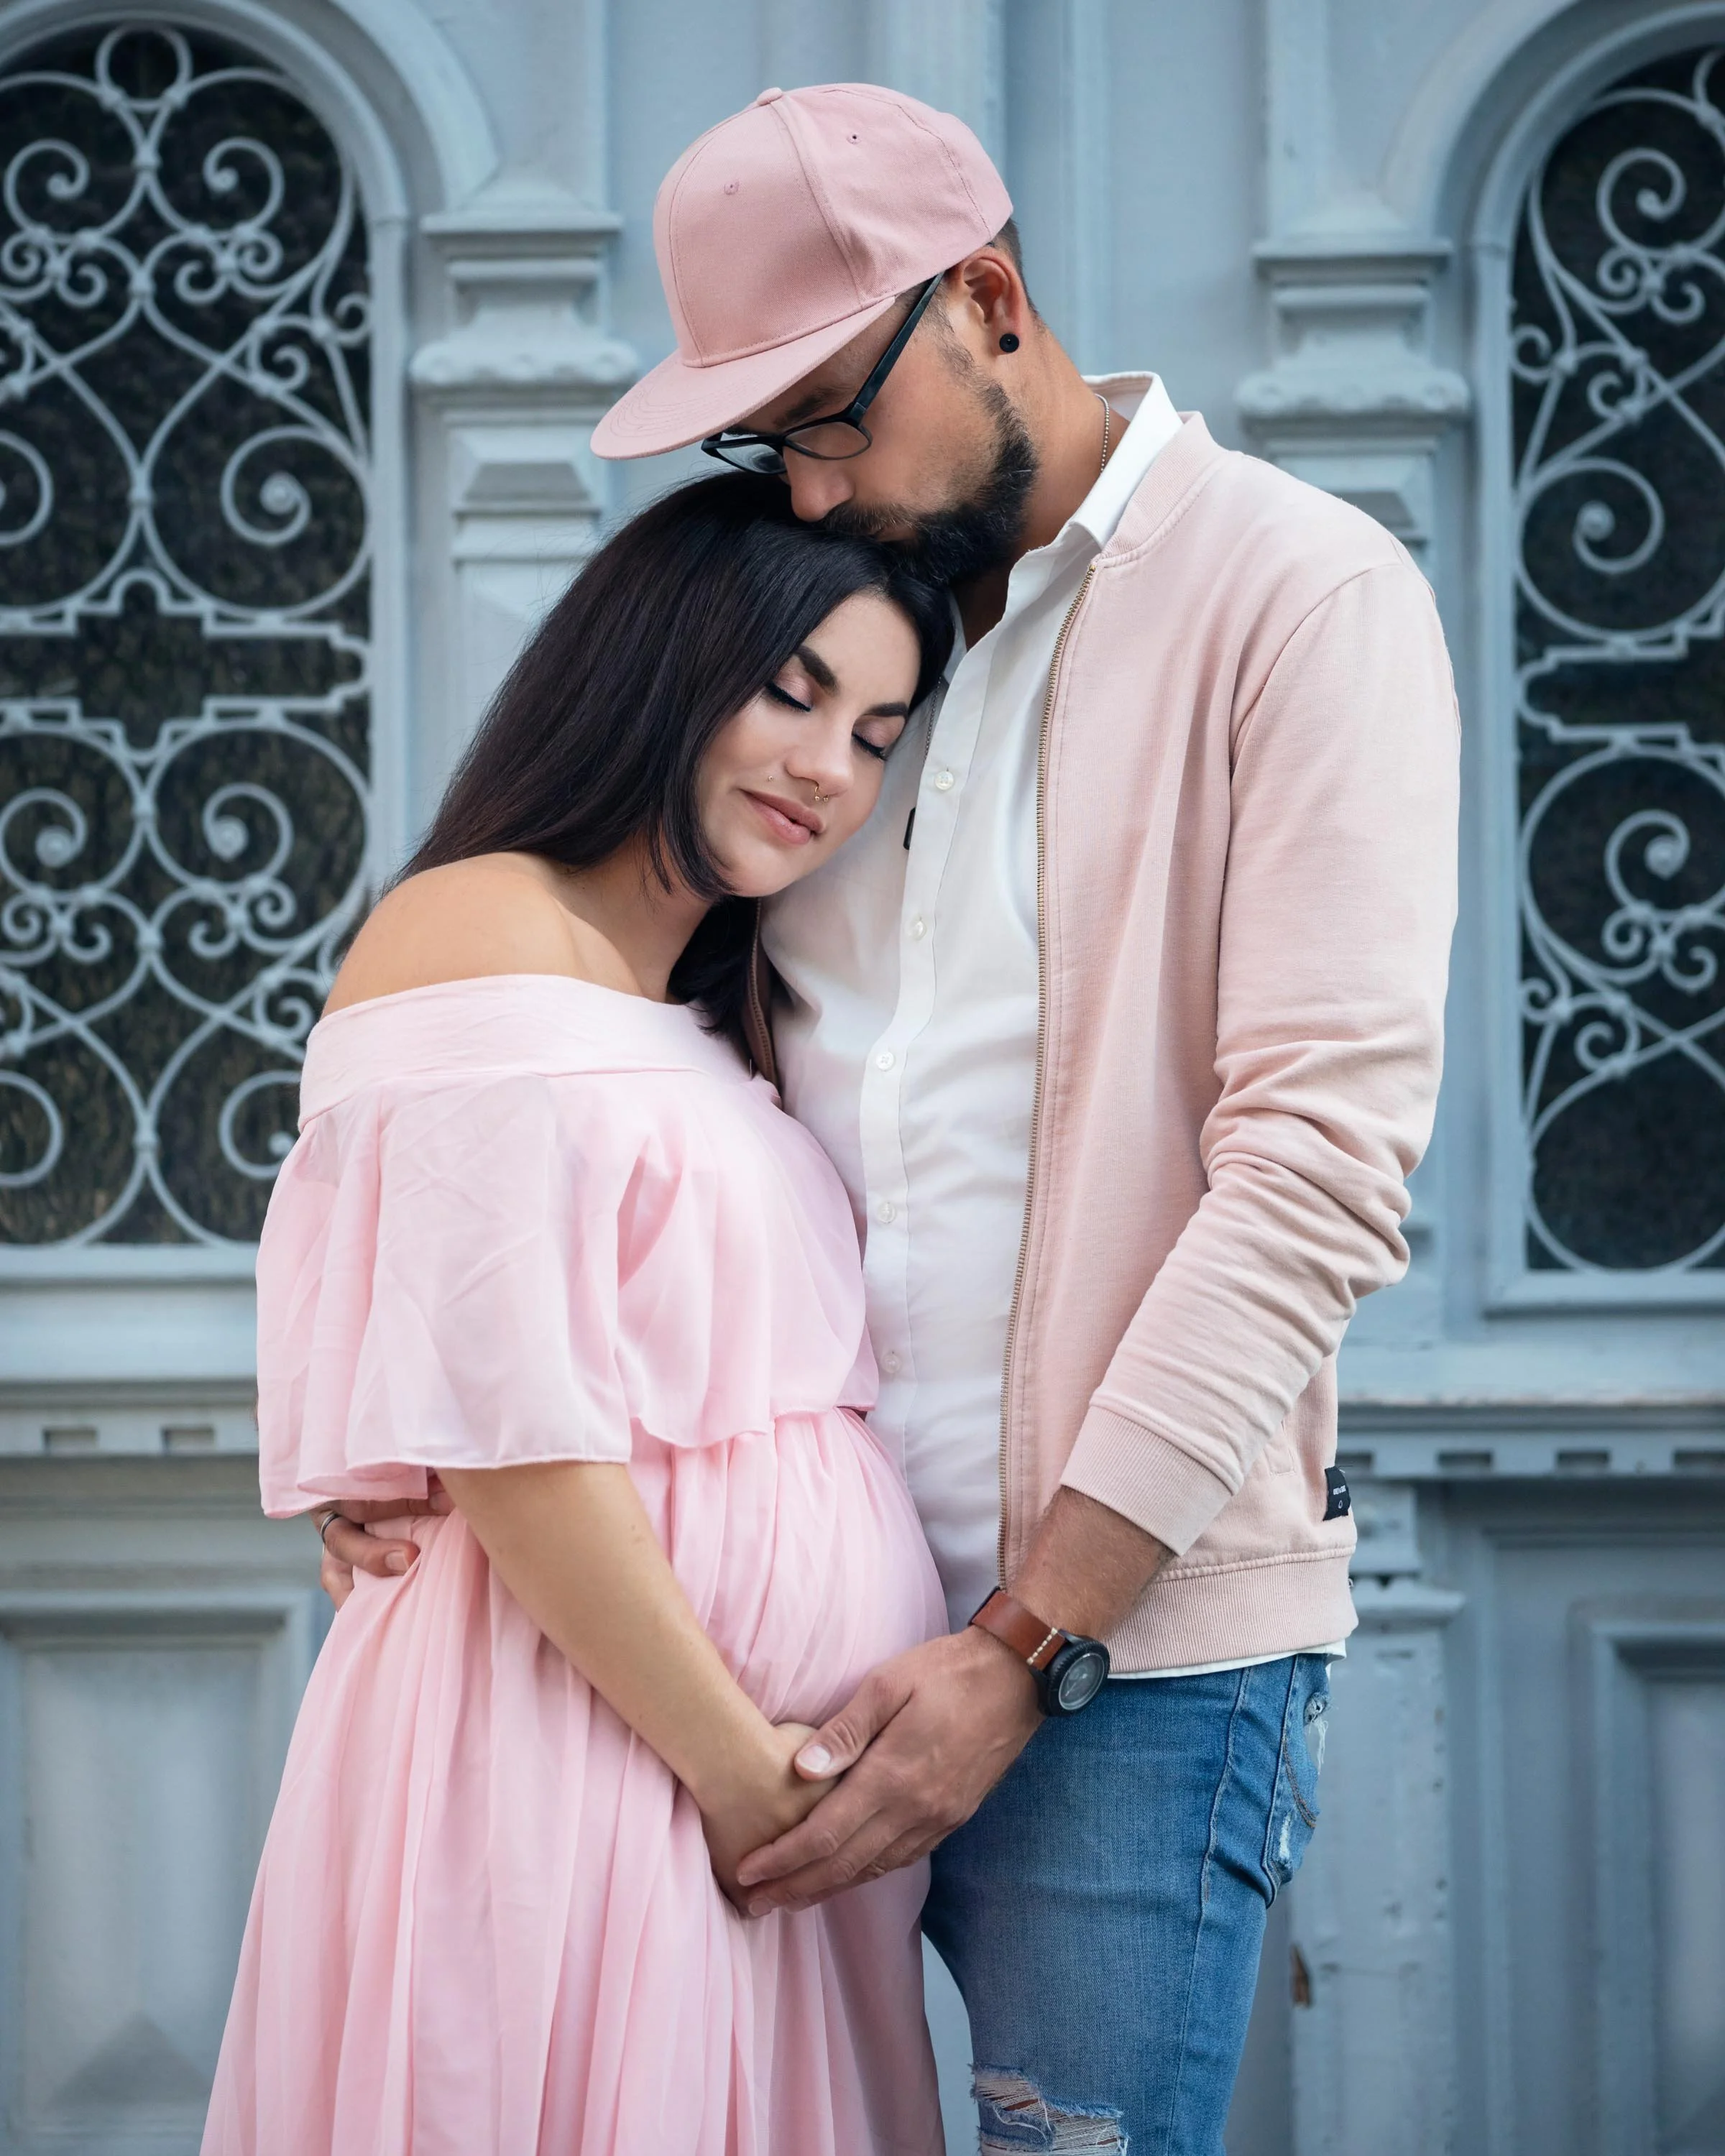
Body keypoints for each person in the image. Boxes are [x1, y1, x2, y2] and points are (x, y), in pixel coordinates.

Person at [323, 83, 1460, 2150]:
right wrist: (388, 1407)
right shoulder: (848, 640)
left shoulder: (1301, 602)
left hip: (1112, 1674)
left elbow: (1312, 1177)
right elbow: (566, 1085)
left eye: (835, 412)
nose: (818, 483)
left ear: (990, 299)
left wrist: (1027, 1646)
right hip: (723, 1671)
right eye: (771, 447)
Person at [202, 474, 958, 2156]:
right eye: (794, 690)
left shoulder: (701, 1010)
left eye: (881, 732)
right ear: (665, 663)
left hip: (734, 1803)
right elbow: (517, 1432)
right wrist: (740, 1771)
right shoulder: (483, 927)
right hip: (586, 1751)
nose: (830, 768)